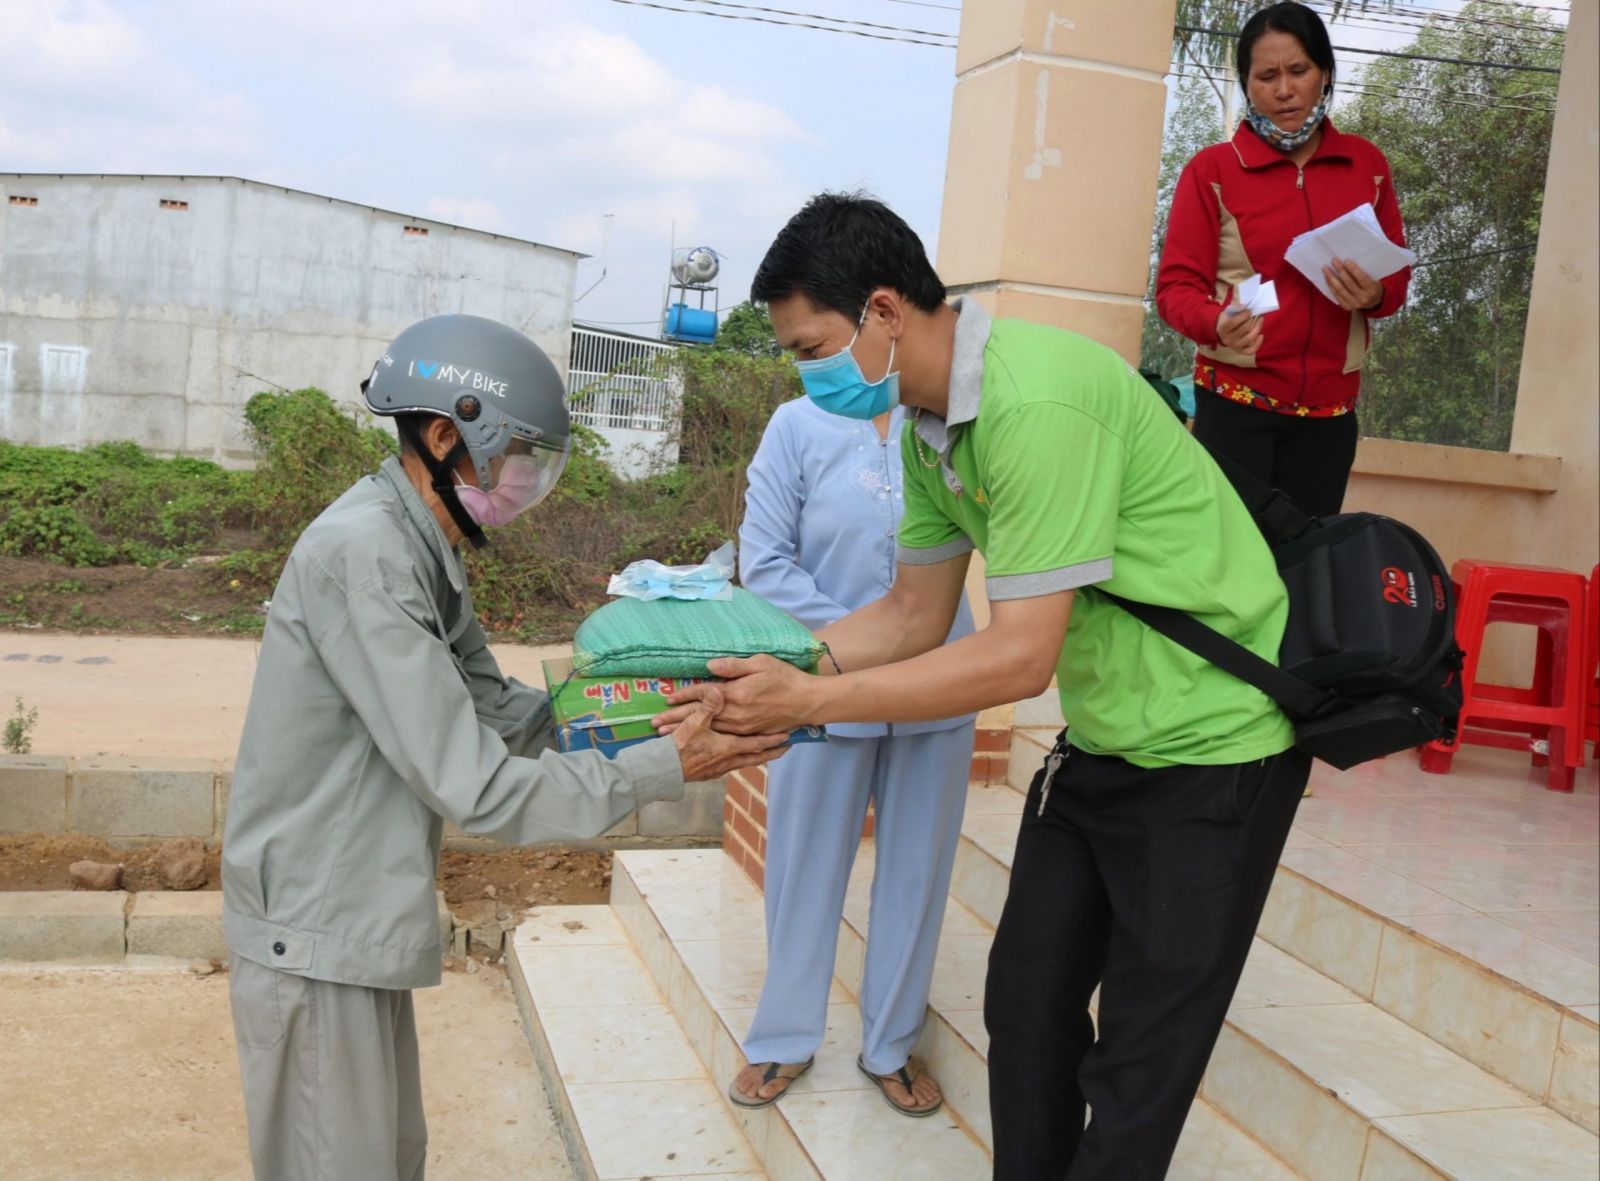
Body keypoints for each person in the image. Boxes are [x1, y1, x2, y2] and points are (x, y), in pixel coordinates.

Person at [654, 193, 1313, 1180]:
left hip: (1216, 746)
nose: (806, 371)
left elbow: (1017, 657)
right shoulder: (927, 424)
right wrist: (781, 672)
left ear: (882, 311)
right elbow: (912, 615)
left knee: (1138, 1061)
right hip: (1107, 739)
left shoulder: (1032, 401)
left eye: (811, 343)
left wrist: (810, 705)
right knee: (1027, 1002)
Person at [221, 313, 788, 1181]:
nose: (526, 479)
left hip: (344, 919)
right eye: (519, 454)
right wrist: (665, 767)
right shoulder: (367, 554)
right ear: (448, 433)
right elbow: (477, 786)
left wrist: (646, 706)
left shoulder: (418, 543)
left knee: (386, 1160)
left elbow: (497, 707)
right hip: (313, 932)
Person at [729, 395, 977, 1117]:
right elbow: (766, 561)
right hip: (821, 683)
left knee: (918, 870)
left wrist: (911, 649)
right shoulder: (796, 425)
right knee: (801, 863)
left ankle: (892, 1044)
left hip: (939, 680)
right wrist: (864, 646)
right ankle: (785, 1035)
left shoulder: (946, 420)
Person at [1157, 0, 1410, 518]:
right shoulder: (1212, 171)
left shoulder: (1368, 166)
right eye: (1266, 75)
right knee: (1231, 565)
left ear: (1325, 74)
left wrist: (1378, 293)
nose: (1284, 89)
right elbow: (1175, 290)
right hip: (1234, 407)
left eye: (1298, 71)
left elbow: (1397, 282)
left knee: (1310, 568)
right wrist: (1216, 323)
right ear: (1247, 84)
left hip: (1330, 414)